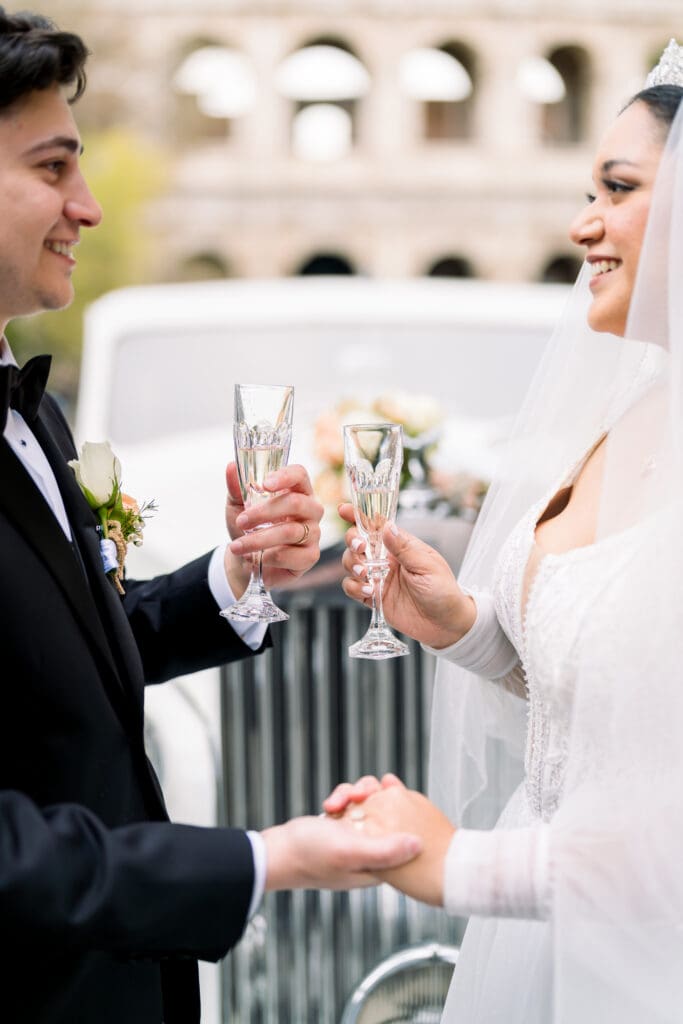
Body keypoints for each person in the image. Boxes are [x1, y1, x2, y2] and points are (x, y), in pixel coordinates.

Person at [0, 10, 423, 1024]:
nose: (88, 206)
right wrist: (261, 858)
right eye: (54, 168)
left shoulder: (37, 411)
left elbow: (67, 660)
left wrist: (240, 577)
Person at [329, 42, 683, 1024]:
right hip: (535, 940)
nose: (582, 226)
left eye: (616, 188)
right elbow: (610, 688)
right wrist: (462, 623)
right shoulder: (637, 406)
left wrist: (457, 863)